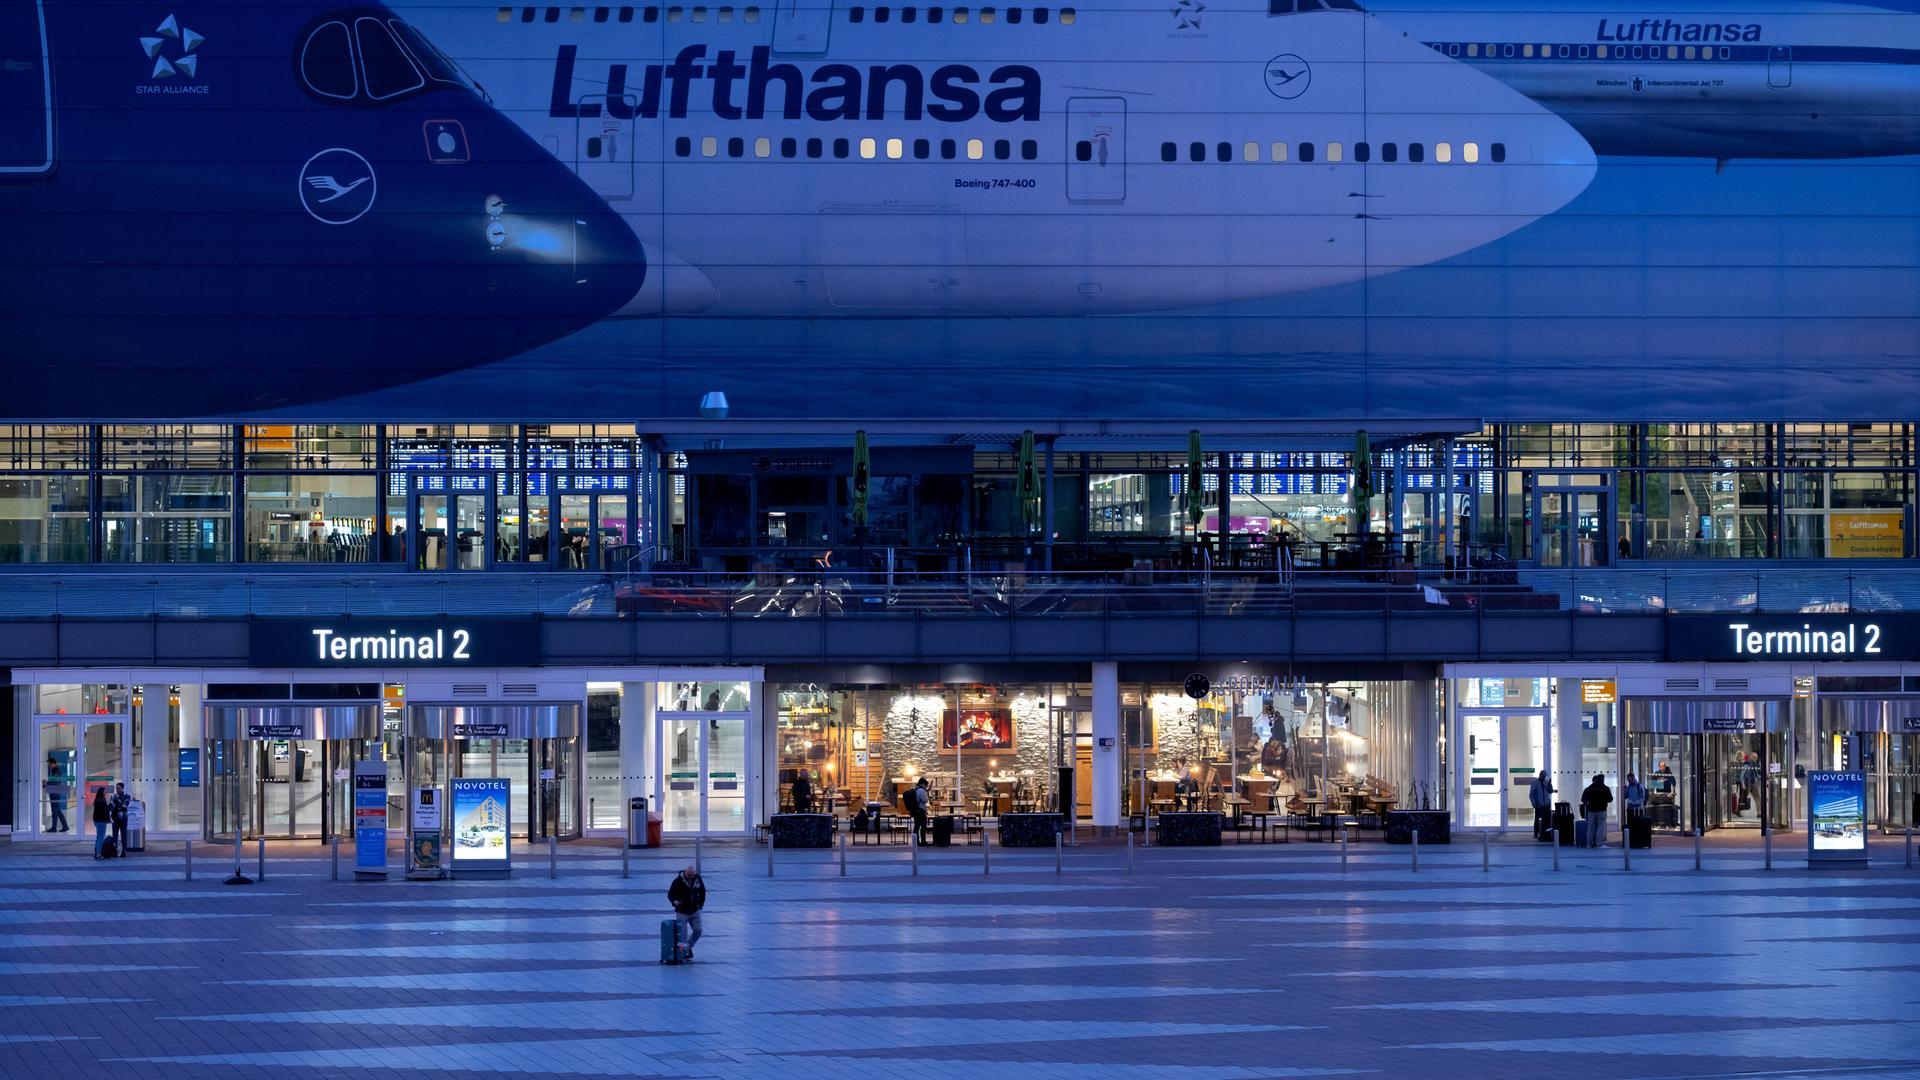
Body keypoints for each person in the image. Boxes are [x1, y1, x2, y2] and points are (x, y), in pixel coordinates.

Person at [667, 865, 706, 960]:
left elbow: (702, 891)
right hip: (682, 912)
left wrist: (700, 905)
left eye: (692, 875)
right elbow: (670, 894)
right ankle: (682, 953)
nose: (691, 877)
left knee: (698, 930)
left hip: (695, 910)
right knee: (682, 935)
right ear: (685, 873)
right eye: (689, 875)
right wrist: (675, 901)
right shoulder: (678, 881)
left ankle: (687, 948)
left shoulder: (697, 879)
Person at [1580, 773, 1613, 849]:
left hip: (1591, 810)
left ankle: (1589, 844)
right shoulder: (1605, 788)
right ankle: (1599, 844)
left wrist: (1589, 802)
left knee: (1590, 827)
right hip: (1601, 810)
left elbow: (1583, 799)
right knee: (1600, 827)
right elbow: (1610, 799)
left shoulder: (1589, 788)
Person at [1527, 770, 1555, 840]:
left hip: (1546, 804)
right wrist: (1534, 803)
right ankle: (1536, 833)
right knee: (1537, 819)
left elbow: (1551, 791)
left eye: (1545, 776)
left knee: (1546, 820)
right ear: (1540, 775)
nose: (1544, 777)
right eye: (1543, 776)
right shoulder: (1535, 783)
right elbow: (1531, 794)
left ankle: (1545, 833)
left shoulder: (1546, 782)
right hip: (1539, 804)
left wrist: (1549, 784)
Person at [44, 757, 69, 833]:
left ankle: (54, 828)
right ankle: (65, 826)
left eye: (49, 763)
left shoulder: (56, 771)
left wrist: (46, 783)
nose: (49, 765)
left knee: (54, 810)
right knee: (57, 811)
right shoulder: (55, 770)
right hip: (55, 792)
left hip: (55, 792)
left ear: (52, 763)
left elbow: (55, 782)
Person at [109, 782, 132, 856]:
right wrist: (119, 805)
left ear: (122, 788)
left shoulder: (127, 796)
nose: (117, 789)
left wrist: (117, 804)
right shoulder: (113, 796)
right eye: (116, 788)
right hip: (115, 819)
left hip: (124, 819)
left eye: (118, 788)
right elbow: (112, 807)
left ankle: (123, 852)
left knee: (123, 835)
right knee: (114, 835)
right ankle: (114, 851)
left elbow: (125, 806)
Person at [908, 777, 932, 845]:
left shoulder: (915, 789)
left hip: (915, 810)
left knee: (916, 826)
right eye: (926, 785)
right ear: (923, 784)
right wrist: (926, 794)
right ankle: (923, 841)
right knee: (923, 826)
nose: (926, 787)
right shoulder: (922, 791)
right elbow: (925, 800)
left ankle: (916, 841)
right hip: (921, 810)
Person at [90, 789, 111, 858]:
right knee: (101, 838)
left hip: (97, 820)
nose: (106, 793)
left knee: (98, 837)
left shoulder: (98, 800)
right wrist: (111, 804)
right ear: (101, 792)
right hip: (101, 821)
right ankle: (98, 854)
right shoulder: (101, 801)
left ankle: (97, 852)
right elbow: (106, 810)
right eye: (105, 791)